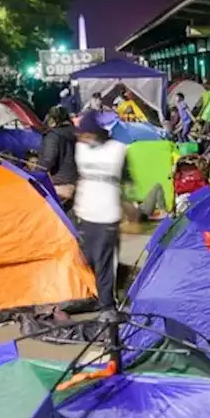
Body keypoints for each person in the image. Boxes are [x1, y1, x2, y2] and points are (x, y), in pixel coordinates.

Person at [72, 122, 129, 309]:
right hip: (90, 216)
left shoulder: (116, 150)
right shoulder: (84, 149)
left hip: (103, 218)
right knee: (91, 260)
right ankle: (97, 300)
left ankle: (106, 306)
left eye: (84, 134)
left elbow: (126, 182)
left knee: (102, 263)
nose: (81, 138)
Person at [39, 106, 79, 205]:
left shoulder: (53, 136)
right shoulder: (78, 131)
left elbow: (48, 160)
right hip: (79, 179)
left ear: (53, 119)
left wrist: (36, 173)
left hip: (60, 182)